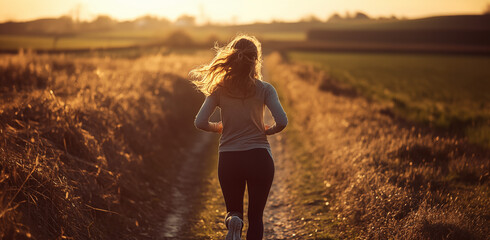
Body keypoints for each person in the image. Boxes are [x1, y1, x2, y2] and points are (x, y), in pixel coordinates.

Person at [190, 35, 288, 240]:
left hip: (230, 159)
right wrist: (267, 130)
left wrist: (219, 127)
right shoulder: (265, 89)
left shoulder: (220, 89)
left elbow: (199, 121)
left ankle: (233, 222)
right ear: (256, 60)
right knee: (256, 217)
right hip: (260, 157)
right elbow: (282, 121)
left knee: (234, 211)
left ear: (231, 59)